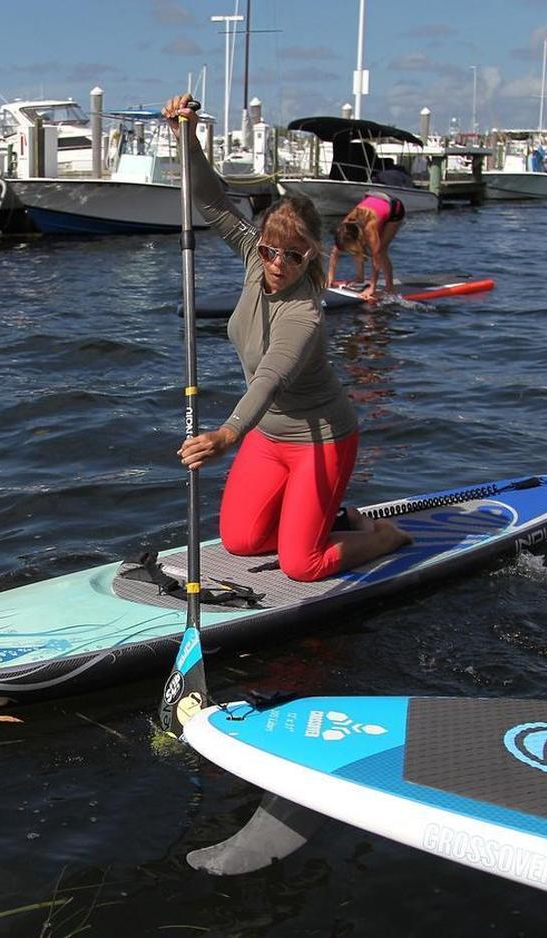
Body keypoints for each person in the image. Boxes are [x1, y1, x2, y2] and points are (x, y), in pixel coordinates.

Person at [163, 93, 411, 583]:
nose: (277, 264)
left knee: (303, 565)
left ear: (310, 256)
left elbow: (271, 378)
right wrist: (186, 138)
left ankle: (383, 537)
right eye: (271, 250)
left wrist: (226, 434)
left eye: (292, 256)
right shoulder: (256, 257)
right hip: (268, 438)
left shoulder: (305, 314)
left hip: (321, 440)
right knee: (242, 542)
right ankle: (329, 518)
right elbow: (211, 198)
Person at [325, 190, 405, 301]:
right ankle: (360, 277)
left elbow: (376, 258)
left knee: (381, 250)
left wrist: (372, 287)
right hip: (374, 203)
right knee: (355, 247)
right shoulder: (345, 225)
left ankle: (389, 287)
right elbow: (335, 251)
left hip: (394, 208)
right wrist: (330, 277)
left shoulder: (370, 228)